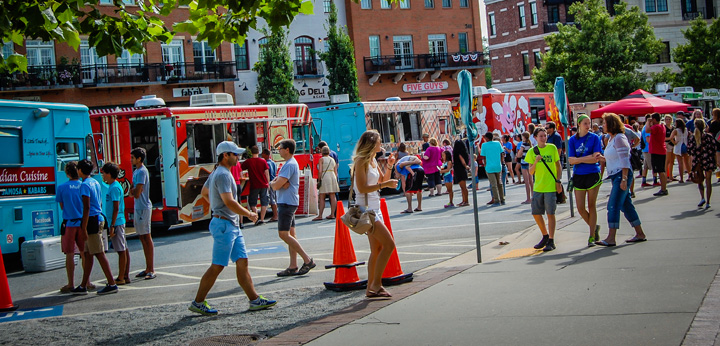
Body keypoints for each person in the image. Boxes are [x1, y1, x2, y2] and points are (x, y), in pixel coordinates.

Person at [188, 141, 276, 315]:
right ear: (225, 155)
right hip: (225, 224)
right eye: (235, 154)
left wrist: (216, 206)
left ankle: (254, 299)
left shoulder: (218, 172)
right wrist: (249, 214)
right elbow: (229, 201)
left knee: (242, 261)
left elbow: (206, 193)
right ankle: (198, 302)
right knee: (218, 266)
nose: (238, 157)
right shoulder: (223, 174)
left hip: (228, 223)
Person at [351, 130, 398, 298]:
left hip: (375, 207)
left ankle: (371, 289)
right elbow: (362, 188)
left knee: (377, 249)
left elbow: (380, 181)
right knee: (389, 245)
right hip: (366, 209)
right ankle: (376, 284)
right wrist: (385, 184)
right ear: (371, 143)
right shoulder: (361, 161)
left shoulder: (371, 160)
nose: (381, 145)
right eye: (379, 141)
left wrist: (390, 166)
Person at [595, 113, 646, 246]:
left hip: (621, 175)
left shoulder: (619, 138)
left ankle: (611, 237)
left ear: (611, 124)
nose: (602, 125)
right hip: (616, 175)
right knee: (626, 205)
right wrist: (603, 159)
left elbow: (624, 160)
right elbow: (615, 157)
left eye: (604, 123)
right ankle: (639, 233)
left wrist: (624, 179)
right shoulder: (612, 139)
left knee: (613, 205)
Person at [270, 139, 316, 277]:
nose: (279, 150)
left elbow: (276, 185)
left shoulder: (289, 165)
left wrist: (274, 183)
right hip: (289, 201)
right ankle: (293, 265)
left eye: (281, 148)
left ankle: (307, 260)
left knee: (283, 234)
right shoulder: (289, 164)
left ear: (287, 150)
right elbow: (279, 183)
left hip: (286, 202)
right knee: (291, 234)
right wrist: (277, 182)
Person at [72, 159, 118, 295]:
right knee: (88, 253)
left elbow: (86, 207)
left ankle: (112, 283)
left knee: (98, 252)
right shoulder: (94, 182)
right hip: (97, 217)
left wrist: (83, 227)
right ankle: (83, 284)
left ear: (80, 170)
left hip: (91, 220)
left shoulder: (84, 185)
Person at [568, 114, 604, 247]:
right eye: (585, 123)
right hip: (579, 174)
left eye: (589, 123)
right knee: (580, 208)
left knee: (591, 205)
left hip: (592, 173)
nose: (588, 126)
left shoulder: (594, 137)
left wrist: (580, 159)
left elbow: (596, 157)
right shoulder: (572, 140)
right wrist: (585, 159)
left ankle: (591, 236)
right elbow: (571, 160)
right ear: (579, 124)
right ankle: (594, 228)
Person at [525, 127, 561, 252]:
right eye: (540, 136)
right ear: (535, 138)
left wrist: (558, 181)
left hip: (550, 186)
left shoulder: (552, 148)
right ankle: (545, 235)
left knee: (551, 213)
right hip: (538, 187)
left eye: (544, 135)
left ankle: (551, 239)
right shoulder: (532, 151)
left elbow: (558, 166)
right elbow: (530, 171)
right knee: (536, 213)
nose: (543, 138)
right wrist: (535, 161)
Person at [56, 162, 90, 293]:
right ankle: (86, 281)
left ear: (67, 173)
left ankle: (71, 283)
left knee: (69, 253)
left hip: (69, 223)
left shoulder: (62, 187)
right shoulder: (83, 185)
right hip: (82, 223)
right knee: (84, 252)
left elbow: (62, 206)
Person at [101, 162, 130, 285]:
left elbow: (116, 207)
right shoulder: (113, 186)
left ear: (109, 174)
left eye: (104, 173)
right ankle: (125, 275)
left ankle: (121, 277)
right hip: (116, 221)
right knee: (123, 248)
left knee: (121, 250)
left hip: (117, 222)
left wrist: (112, 225)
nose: (102, 176)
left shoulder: (114, 187)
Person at [129, 147, 156, 280]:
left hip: (143, 207)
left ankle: (151, 269)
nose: (131, 159)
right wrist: (133, 191)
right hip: (139, 207)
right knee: (142, 237)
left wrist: (133, 191)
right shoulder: (137, 171)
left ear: (139, 158)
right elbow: (133, 191)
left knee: (146, 237)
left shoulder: (141, 172)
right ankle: (147, 268)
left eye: (133, 157)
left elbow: (136, 192)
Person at [687, 119, 716, 209]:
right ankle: (708, 201)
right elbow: (714, 149)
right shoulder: (709, 137)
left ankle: (702, 197)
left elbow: (690, 151)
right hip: (708, 160)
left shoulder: (692, 138)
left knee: (700, 180)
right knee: (708, 181)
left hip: (698, 161)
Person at [241, 146, 270, 226]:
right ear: (258, 152)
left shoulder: (248, 161)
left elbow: (241, 168)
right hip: (264, 184)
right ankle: (262, 219)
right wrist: (268, 183)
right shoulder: (263, 161)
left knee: (252, 203)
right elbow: (266, 173)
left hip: (254, 184)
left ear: (251, 152)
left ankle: (256, 217)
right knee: (264, 202)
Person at [314, 146, 339, 220]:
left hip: (325, 176)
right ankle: (332, 214)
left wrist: (319, 180)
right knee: (332, 195)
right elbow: (335, 171)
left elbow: (320, 170)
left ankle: (320, 215)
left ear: (322, 152)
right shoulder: (332, 159)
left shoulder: (321, 159)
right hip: (332, 176)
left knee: (322, 196)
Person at [480, 132, 505, 206]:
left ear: (487, 138)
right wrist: (500, 161)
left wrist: (485, 165)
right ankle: (502, 199)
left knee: (493, 184)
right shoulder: (497, 143)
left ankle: (496, 200)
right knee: (499, 183)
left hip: (489, 166)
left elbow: (483, 156)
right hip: (498, 165)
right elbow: (502, 153)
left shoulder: (484, 145)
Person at [648, 113, 669, 196]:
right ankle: (663, 188)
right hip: (661, 150)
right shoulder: (662, 126)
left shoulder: (656, 127)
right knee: (661, 170)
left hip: (657, 151)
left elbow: (647, 130)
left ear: (654, 119)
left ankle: (663, 189)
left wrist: (647, 122)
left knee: (660, 171)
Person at [261, 148, 279, 222]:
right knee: (275, 198)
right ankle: (276, 214)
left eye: (263, 153)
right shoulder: (273, 163)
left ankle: (275, 215)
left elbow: (267, 174)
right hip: (275, 181)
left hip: (270, 182)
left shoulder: (266, 163)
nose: (262, 155)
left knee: (272, 200)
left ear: (265, 154)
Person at [670, 119, 689, 183]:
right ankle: (690, 176)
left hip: (679, 146)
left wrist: (674, 142)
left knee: (680, 163)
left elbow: (671, 137)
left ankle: (681, 178)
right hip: (685, 146)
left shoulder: (676, 130)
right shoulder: (686, 130)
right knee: (687, 162)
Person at [640, 118, 658, 187]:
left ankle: (644, 181)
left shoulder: (644, 127)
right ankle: (655, 180)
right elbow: (648, 139)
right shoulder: (647, 129)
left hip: (645, 149)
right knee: (653, 165)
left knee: (646, 166)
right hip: (648, 149)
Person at [452, 140, 470, 207]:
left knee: (463, 187)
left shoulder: (458, 153)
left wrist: (466, 166)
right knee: (462, 187)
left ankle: (466, 201)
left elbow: (462, 161)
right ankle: (464, 200)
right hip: (461, 169)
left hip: (460, 169)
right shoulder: (463, 152)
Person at [517, 132, 533, 204]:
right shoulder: (530, 144)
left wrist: (518, 155)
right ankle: (533, 196)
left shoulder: (523, 144)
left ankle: (528, 198)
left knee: (526, 182)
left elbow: (519, 154)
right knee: (531, 181)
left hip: (524, 162)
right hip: (529, 162)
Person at [663, 115, 676, 181]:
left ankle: (671, 175)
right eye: (667, 119)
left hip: (673, 144)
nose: (668, 120)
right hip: (667, 144)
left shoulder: (673, 128)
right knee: (667, 161)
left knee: (672, 161)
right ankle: (666, 176)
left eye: (669, 119)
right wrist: (670, 138)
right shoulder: (664, 127)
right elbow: (663, 138)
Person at [710, 109, 720, 183]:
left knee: (718, 161)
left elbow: (710, 132)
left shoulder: (714, 123)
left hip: (717, 143)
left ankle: (719, 176)